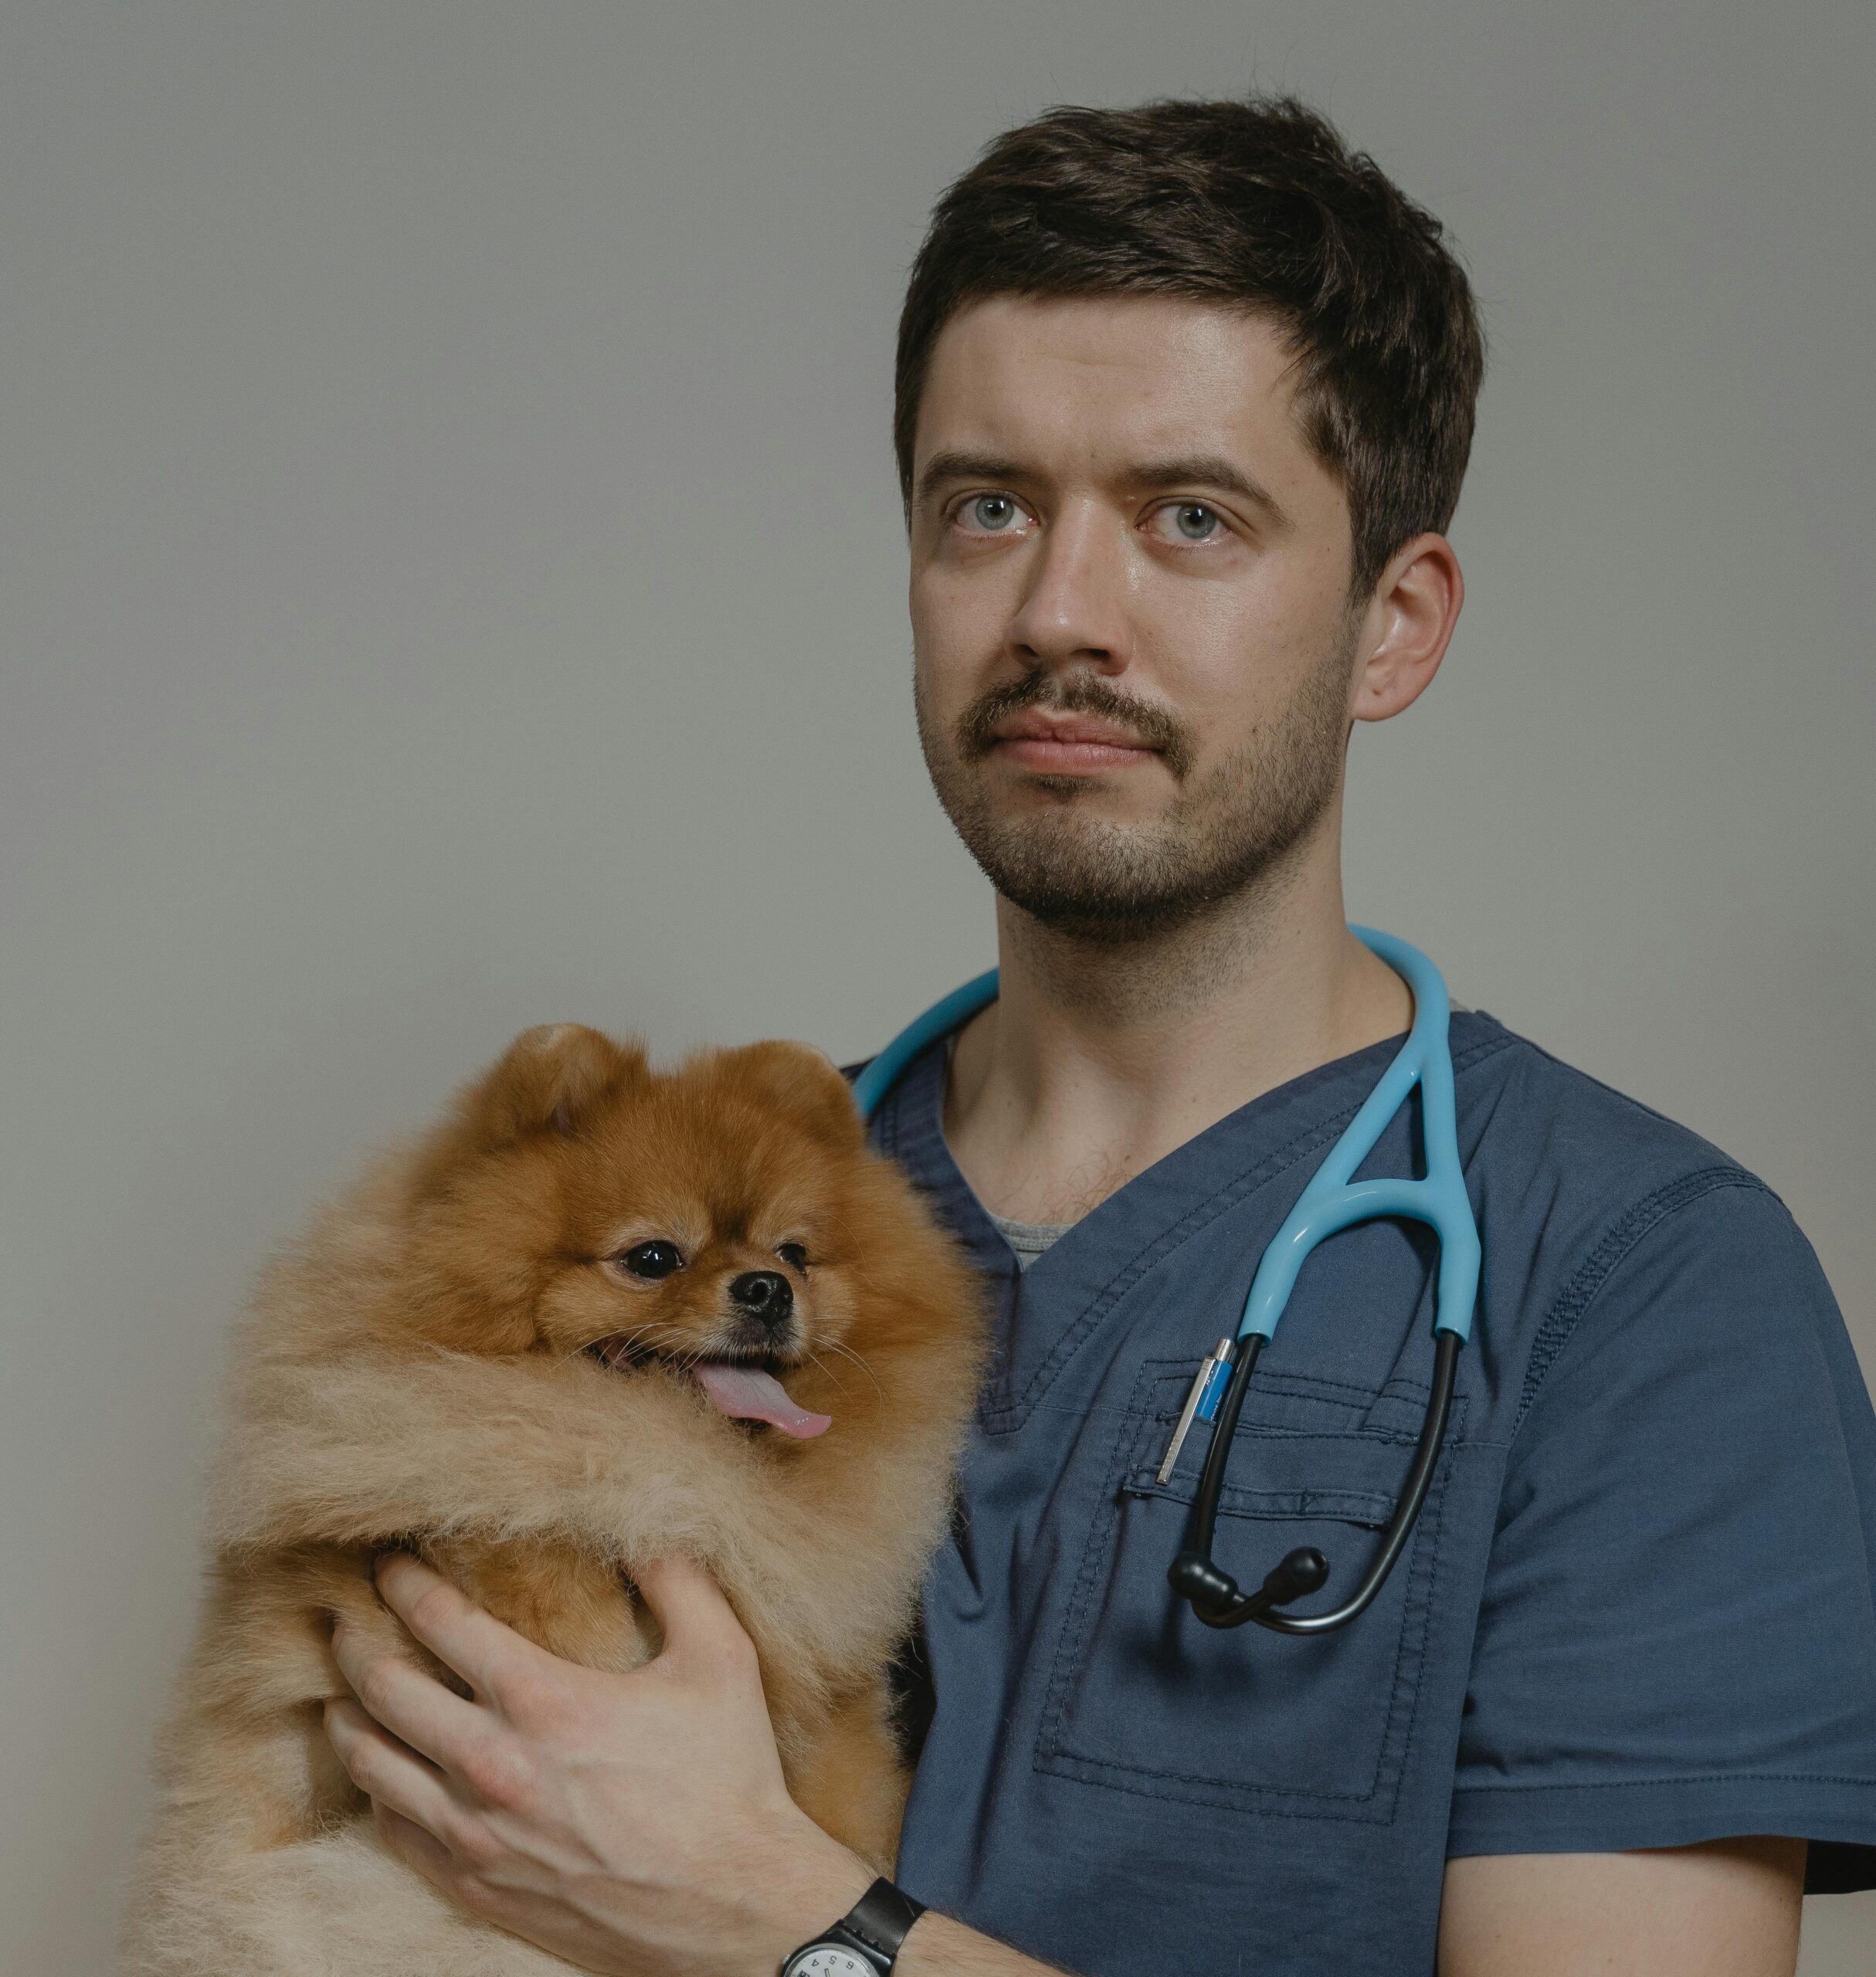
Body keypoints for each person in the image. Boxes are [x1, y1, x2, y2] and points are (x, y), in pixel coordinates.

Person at [318, 97, 1876, 1975]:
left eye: (1187, 519)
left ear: (1397, 621)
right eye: (987, 506)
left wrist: (786, 1925)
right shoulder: (690, 1225)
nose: (1060, 613)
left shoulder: (1639, 1285)